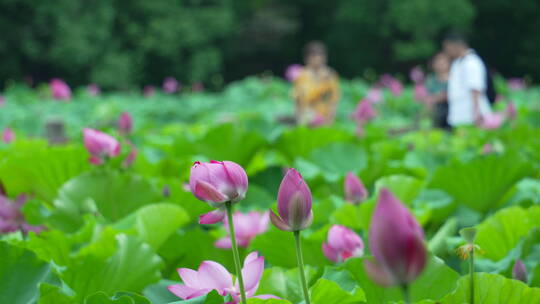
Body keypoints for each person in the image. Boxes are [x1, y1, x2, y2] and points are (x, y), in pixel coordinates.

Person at [443, 33, 492, 127]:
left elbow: (475, 88)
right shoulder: (457, 62)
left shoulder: (472, 62)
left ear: (455, 45)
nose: (447, 51)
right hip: (460, 115)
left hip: (471, 116)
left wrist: (476, 113)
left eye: (447, 47)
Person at [293, 41, 340, 125]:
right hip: (306, 117)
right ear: (307, 58)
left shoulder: (330, 75)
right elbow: (297, 99)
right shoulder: (301, 75)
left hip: (324, 117)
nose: (317, 59)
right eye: (314, 56)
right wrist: (298, 117)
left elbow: (334, 100)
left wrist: (330, 118)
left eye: (320, 56)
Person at [424, 52, 451, 129]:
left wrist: (437, 97)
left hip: (452, 112)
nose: (440, 65)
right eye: (438, 62)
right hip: (437, 113)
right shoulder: (430, 79)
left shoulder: (454, 78)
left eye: (443, 62)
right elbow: (428, 98)